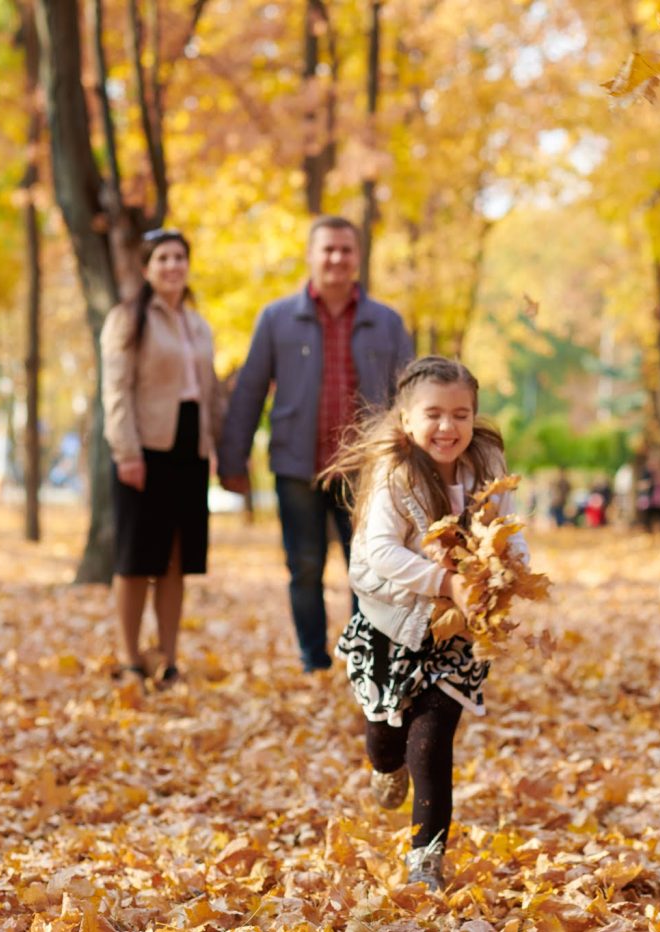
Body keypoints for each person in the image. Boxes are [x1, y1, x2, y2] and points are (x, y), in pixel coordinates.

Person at [323, 356, 527, 892]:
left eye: (460, 414)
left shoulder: (486, 463)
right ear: (408, 419)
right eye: (433, 414)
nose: (447, 427)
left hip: (451, 636)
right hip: (392, 626)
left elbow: (509, 530)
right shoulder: (395, 472)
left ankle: (425, 860)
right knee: (388, 740)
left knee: (432, 743)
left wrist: (512, 566)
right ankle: (382, 767)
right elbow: (380, 553)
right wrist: (445, 582)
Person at [218, 216, 414, 672]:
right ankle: (313, 659)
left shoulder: (385, 322)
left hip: (366, 473)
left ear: (357, 258)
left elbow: (411, 393)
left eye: (346, 249)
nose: (336, 258)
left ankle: (363, 661)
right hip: (296, 465)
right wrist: (233, 458)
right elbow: (249, 390)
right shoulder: (277, 318)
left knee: (369, 570)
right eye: (328, 249)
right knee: (304, 568)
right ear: (310, 255)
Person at [100, 228, 223, 690]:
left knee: (176, 559)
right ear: (147, 268)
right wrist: (126, 452)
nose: (173, 266)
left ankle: (167, 659)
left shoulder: (197, 324)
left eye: (179, 258)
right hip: (144, 448)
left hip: (189, 449)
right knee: (136, 559)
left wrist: (212, 447)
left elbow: (209, 391)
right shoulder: (127, 320)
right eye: (163, 258)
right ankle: (132, 658)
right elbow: (116, 390)